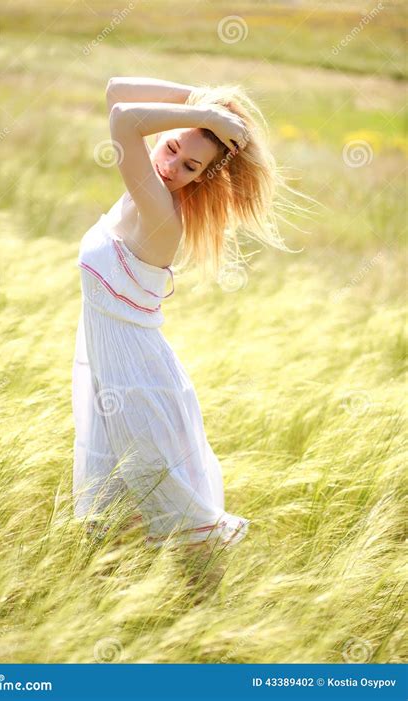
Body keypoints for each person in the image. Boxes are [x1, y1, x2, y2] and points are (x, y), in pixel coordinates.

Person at [72, 77, 312, 550]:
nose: (171, 166)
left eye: (190, 166)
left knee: (182, 535)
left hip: (140, 390)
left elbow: (122, 119)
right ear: (163, 134)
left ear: (202, 177)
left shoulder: (158, 210)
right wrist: (207, 108)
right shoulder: (146, 188)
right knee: (116, 533)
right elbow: (115, 89)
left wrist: (201, 118)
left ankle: (208, 620)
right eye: (172, 148)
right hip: (115, 382)